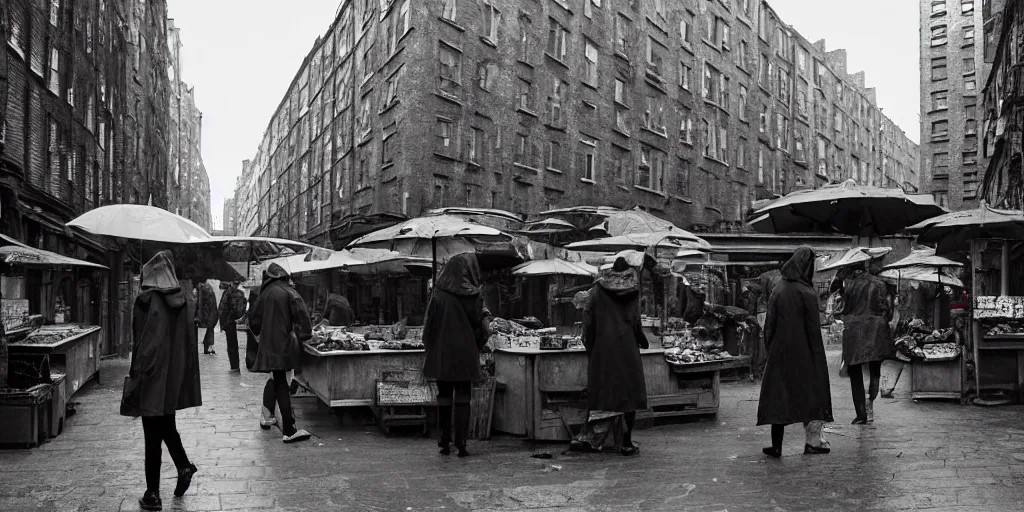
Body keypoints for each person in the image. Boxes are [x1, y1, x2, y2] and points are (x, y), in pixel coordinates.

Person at [120, 251, 201, 510]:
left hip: (152, 375)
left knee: (152, 434)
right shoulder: (183, 300)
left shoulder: (147, 300)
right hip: (172, 377)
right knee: (166, 425)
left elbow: (144, 344)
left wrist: (139, 376)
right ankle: (184, 466)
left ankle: (152, 493)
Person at [756, 247, 833, 458]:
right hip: (805, 355)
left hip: (779, 354)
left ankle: (776, 446)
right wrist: (818, 360)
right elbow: (813, 331)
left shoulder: (778, 289)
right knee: (810, 395)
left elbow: (768, 327)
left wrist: (770, 349)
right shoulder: (807, 293)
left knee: (778, 399)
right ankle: (812, 442)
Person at [421, 253, 491, 457]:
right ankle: (461, 443)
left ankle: (443, 441)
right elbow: (482, 328)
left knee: (443, 397)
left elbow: (428, 327)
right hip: (465, 354)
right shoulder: (475, 295)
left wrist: (430, 348)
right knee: (463, 398)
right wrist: (477, 345)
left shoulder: (437, 295)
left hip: (442, 354)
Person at [582, 256, 648, 456]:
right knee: (629, 395)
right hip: (627, 347)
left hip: (602, 347)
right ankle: (626, 442)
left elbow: (588, 321)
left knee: (601, 392)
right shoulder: (633, 292)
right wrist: (642, 340)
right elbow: (635, 321)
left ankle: (596, 439)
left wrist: (590, 345)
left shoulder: (596, 290)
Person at [248, 263, 313, 443]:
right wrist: (304, 334)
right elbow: (302, 315)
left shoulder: (264, 293)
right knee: (281, 384)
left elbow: (253, 322)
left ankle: (282, 423)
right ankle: (289, 430)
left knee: (279, 383)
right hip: (283, 345)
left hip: (269, 346)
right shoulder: (287, 291)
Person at [841, 258, 895, 424]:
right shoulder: (880, 283)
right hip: (876, 329)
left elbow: (843, 309)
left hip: (854, 330)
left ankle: (861, 414)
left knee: (855, 372)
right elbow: (887, 310)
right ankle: (871, 399)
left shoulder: (848, 284)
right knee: (875, 368)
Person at [218, 281, 248, 372]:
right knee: (232, 344)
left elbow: (222, 308)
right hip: (231, 321)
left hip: (229, 321)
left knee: (231, 345)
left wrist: (223, 321)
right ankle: (234, 366)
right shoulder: (238, 292)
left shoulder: (228, 292)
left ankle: (234, 366)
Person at [195, 280, 218, 355]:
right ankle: (208, 346)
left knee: (210, 328)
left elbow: (203, 304)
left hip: (210, 313)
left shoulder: (204, 288)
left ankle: (209, 347)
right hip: (211, 312)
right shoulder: (205, 287)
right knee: (210, 328)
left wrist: (201, 316)